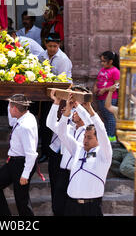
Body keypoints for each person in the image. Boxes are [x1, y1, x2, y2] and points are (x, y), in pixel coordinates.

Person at [57, 92, 112, 216]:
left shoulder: (104, 153)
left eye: (89, 138)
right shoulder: (78, 148)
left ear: (98, 139)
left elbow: (101, 129)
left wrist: (89, 109)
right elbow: (62, 133)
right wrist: (69, 110)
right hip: (71, 206)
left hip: (91, 208)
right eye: (84, 137)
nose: (85, 140)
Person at [0, 94, 38, 216]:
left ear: (15, 109)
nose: (9, 110)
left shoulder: (25, 126)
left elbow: (31, 153)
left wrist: (25, 174)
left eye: (10, 107)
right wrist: (11, 100)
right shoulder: (25, 115)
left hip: (22, 164)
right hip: (13, 162)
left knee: (22, 201)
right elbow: (11, 122)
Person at [47, 87, 92, 215]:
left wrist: (78, 106)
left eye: (75, 110)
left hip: (78, 173)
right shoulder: (68, 128)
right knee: (57, 207)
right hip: (63, 173)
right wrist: (56, 102)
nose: (73, 112)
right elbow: (50, 124)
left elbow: (89, 121)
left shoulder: (90, 131)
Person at [38, 32, 73, 163]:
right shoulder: (41, 55)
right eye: (50, 45)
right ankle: (45, 152)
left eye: (55, 46)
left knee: (55, 125)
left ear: (59, 45)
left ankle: (53, 154)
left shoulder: (63, 59)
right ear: (45, 44)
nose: (52, 48)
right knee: (44, 124)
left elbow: (62, 81)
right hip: (46, 94)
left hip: (60, 96)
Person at [105, 84, 135, 180]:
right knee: (106, 157)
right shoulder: (119, 112)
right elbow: (108, 106)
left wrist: (128, 93)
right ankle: (127, 173)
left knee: (125, 168)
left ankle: (126, 170)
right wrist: (110, 91)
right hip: (124, 149)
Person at [93, 51, 120, 143]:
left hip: (110, 98)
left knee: (110, 117)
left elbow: (117, 85)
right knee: (105, 116)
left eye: (104, 61)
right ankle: (108, 136)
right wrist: (95, 87)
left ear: (111, 61)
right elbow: (98, 80)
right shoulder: (102, 70)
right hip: (101, 97)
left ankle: (111, 137)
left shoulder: (115, 71)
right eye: (101, 61)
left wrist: (105, 90)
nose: (102, 63)